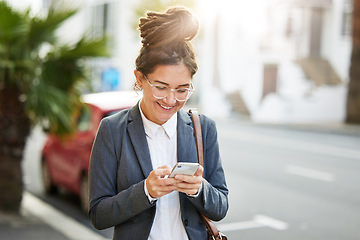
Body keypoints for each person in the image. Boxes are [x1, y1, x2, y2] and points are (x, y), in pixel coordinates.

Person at [88, 6, 229, 240]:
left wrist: (199, 188)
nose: (171, 99)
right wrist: (145, 191)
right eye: (161, 87)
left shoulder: (203, 128)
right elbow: (98, 215)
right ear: (140, 78)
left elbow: (221, 206)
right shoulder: (112, 129)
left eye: (182, 90)